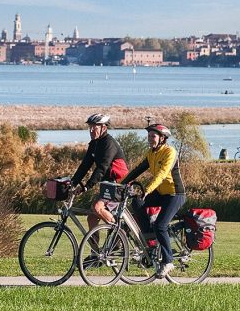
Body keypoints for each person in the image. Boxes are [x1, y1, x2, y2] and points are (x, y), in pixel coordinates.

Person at [121, 123, 186, 279]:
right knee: (137, 203)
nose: (150, 139)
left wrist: (148, 190)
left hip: (174, 194)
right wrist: (122, 183)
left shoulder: (170, 152)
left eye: (153, 136)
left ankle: (168, 261)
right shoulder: (151, 153)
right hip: (160, 193)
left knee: (161, 225)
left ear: (162, 138)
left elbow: (162, 174)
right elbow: (138, 170)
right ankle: (150, 238)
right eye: (149, 136)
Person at [70, 113, 129, 229]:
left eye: (94, 127)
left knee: (98, 208)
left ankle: (120, 233)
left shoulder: (109, 144)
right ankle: (95, 247)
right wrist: (72, 183)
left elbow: (102, 167)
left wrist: (87, 186)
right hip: (108, 185)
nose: (91, 130)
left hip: (119, 185)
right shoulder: (94, 144)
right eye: (90, 127)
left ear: (104, 128)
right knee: (92, 218)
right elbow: (84, 166)